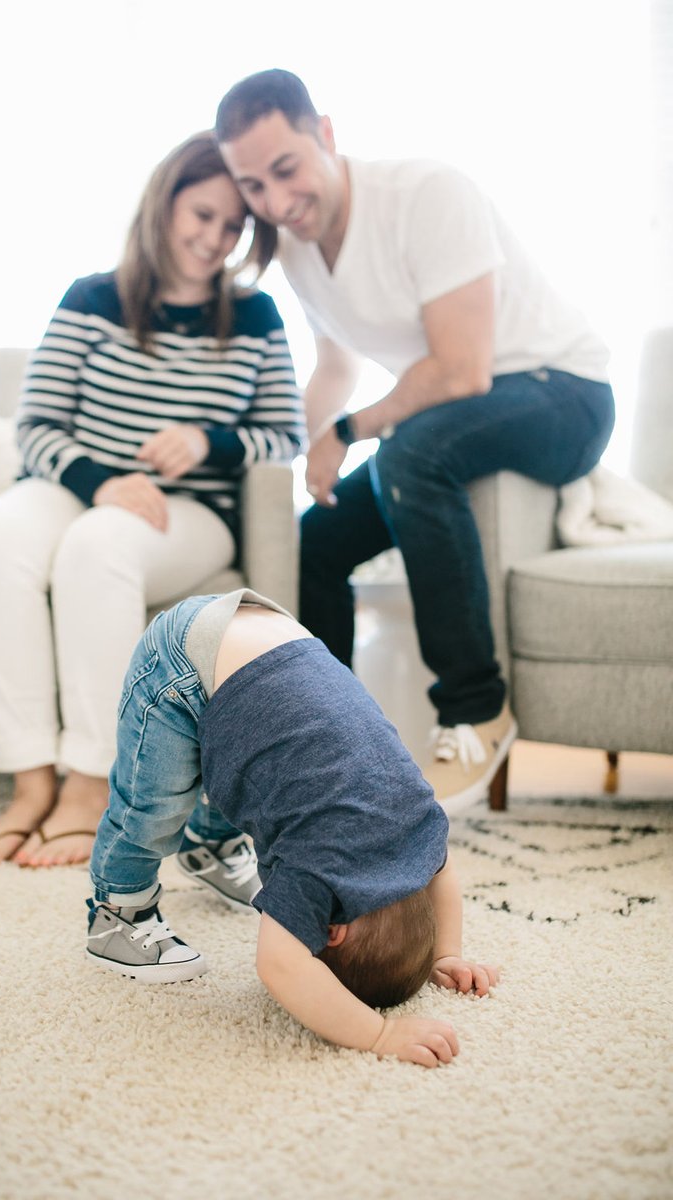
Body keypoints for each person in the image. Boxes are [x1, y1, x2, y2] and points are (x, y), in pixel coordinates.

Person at [214, 69, 616, 810]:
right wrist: (289, 458)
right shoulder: (298, 250)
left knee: (408, 454)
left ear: (326, 135)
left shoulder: (428, 194)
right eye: (253, 187)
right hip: (457, 421)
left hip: (565, 394)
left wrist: (347, 431)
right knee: (316, 541)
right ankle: (333, 747)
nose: (275, 202)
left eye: (286, 170)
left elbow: (462, 370)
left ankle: (475, 709)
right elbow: (337, 364)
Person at [0, 130, 304, 869]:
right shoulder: (92, 298)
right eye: (202, 215)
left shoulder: (256, 317)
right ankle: (29, 784)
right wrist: (102, 480)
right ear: (165, 202)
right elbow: (36, 426)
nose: (215, 239)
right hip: (79, 488)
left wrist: (210, 440)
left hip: (187, 514)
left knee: (100, 544)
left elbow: (285, 434)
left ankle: (92, 786)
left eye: (233, 226)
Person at [86, 590, 499, 1065]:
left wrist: (446, 954)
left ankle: (213, 847)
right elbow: (280, 967)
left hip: (280, 640)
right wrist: (380, 1035)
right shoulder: (318, 872)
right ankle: (118, 909)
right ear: (330, 932)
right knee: (151, 807)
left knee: (261, 775)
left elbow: (442, 872)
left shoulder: (417, 823)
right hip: (183, 657)